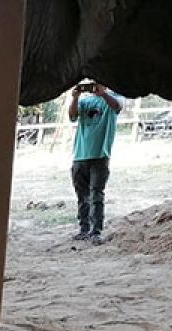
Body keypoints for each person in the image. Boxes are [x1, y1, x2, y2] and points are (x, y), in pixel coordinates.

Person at [68, 81, 124, 244]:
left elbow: (117, 106)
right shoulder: (84, 102)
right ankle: (83, 228)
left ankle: (96, 231)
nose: (93, 87)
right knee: (82, 195)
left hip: (100, 155)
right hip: (80, 155)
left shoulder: (113, 98)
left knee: (96, 194)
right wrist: (75, 97)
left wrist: (103, 94)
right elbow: (72, 115)